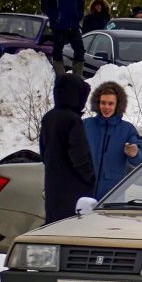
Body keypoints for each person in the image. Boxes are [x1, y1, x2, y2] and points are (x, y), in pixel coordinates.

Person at [40, 74, 96, 223]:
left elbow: (43, 153)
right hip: (74, 191)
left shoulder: (48, 118)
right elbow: (79, 156)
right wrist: (91, 179)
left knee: (54, 227)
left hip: (53, 187)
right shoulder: (73, 120)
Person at [83, 81, 142, 197]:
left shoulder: (127, 130)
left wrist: (134, 153)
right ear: (97, 103)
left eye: (110, 104)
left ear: (117, 105)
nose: (106, 107)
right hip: (85, 193)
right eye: (103, 103)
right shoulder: (86, 125)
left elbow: (138, 160)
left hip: (112, 197)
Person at [40, 0, 86, 76]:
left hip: (73, 24)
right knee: (57, 51)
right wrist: (55, 17)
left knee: (80, 49)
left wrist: (79, 15)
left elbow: (81, 2)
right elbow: (45, 6)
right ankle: (61, 77)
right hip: (59, 25)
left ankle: (77, 77)